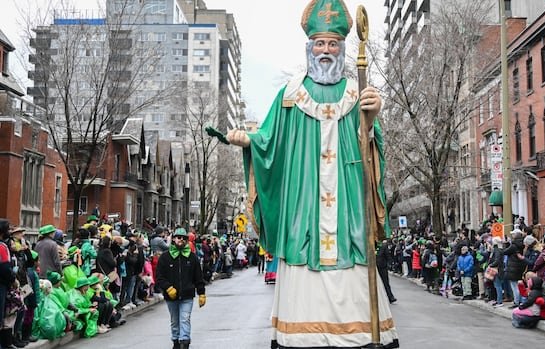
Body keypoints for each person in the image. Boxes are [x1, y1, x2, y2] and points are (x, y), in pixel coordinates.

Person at [227, 2, 398, 347]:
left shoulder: (357, 93)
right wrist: (250, 141)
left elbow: (371, 147)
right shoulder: (290, 95)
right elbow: (268, 140)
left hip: (349, 207)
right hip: (303, 209)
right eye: (319, 43)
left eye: (332, 44)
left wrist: (373, 117)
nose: (325, 50)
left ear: (342, 48)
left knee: (352, 265)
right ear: (309, 47)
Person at [156, 228, 206, 349]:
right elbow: (159, 276)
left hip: (187, 294)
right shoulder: (165, 257)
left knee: (185, 318)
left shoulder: (192, 257)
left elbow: (198, 276)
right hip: (171, 296)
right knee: (174, 320)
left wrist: (201, 293)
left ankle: (185, 341)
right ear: (173, 239)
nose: (181, 240)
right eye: (179, 237)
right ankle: (176, 341)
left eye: (184, 238)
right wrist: (168, 288)